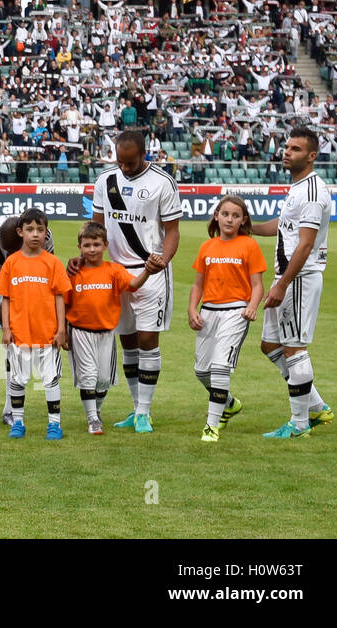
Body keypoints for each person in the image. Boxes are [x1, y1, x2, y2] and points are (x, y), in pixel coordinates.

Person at [84, 129, 180, 434]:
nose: (123, 168)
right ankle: (136, 406)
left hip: (149, 270)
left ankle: (144, 412)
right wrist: (90, 262)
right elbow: (96, 227)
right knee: (127, 342)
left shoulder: (163, 183)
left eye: (130, 162)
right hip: (113, 273)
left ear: (144, 154)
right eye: (120, 161)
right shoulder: (105, 180)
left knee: (148, 341)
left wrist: (163, 258)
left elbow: (173, 231)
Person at [251, 126, 334, 438]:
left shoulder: (312, 192)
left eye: (296, 149)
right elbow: (283, 226)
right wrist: (251, 229)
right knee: (270, 345)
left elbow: (305, 245)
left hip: (298, 278)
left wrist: (283, 284)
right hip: (287, 277)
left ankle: (299, 424)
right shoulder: (297, 187)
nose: (287, 152)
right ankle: (316, 406)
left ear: (312, 156)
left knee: (295, 349)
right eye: (287, 147)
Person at [187, 197, 265, 443]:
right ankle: (229, 404)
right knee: (202, 371)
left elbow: (257, 285)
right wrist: (192, 309)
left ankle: (211, 427)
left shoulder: (249, 246)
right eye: (226, 214)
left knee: (220, 367)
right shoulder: (206, 247)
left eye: (236, 215)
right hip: (209, 311)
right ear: (216, 216)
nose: (230, 219)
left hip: (236, 312)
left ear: (243, 221)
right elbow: (198, 284)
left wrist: (252, 307)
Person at [0, 214, 54, 427]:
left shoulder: (42, 235)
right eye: (5, 248)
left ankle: (10, 410)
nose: (10, 254)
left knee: (13, 348)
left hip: (16, 287)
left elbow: (47, 269)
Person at [67, 222, 156, 436]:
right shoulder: (74, 272)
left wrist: (148, 271)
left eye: (96, 244)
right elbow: (62, 301)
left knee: (104, 379)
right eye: (87, 245)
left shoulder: (113, 270)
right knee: (88, 377)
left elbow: (133, 284)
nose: (92, 249)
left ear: (105, 245)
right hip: (80, 332)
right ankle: (92, 420)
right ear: (79, 246)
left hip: (106, 333)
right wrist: (61, 331)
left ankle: (96, 411)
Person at [0, 208, 71, 439]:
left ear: (46, 233)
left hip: (47, 334)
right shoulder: (11, 263)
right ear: (20, 232)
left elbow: (60, 297)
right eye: (30, 229)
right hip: (19, 334)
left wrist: (61, 329)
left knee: (50, 380)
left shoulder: (53, 263)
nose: (35, 234)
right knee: (18, 380)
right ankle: (18, 422)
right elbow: (5, 298)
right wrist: (7, 328)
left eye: (40, 229)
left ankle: (54, 424)